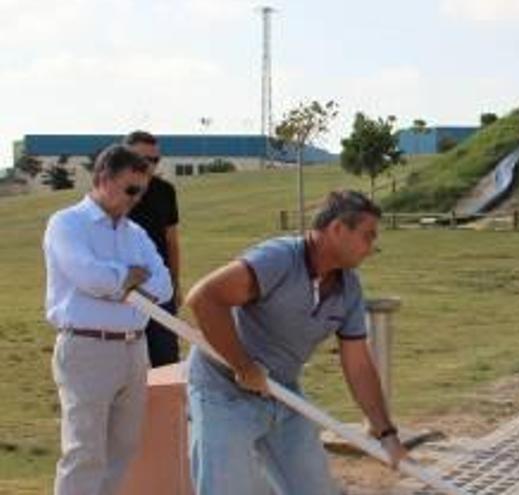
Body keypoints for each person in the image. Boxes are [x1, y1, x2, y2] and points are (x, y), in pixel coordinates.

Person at [185, 189, 406, 494]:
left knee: (314, 488)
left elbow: (358, 364)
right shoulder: (278, 258)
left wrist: (386, 432)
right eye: (368, 236)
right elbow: (204, 298)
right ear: (338, 229)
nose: (371, 247)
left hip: (282, 392)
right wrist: (243, 365)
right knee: (226, 487)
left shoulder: (349, 289)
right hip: (223, 390)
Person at [43, 144, 173, 494]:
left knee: (123, 449)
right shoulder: (67, 224)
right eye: (131, 189)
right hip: (86, 348)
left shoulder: (136, 234)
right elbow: (88, 276)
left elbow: (164, 286)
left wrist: (120, 280)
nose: (136, 199)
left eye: (141, 192)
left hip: (133, 350)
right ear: (102, 179)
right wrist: (127, 277)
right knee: (84, 452)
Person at [124, 130, 182, 367]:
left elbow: (172, 241)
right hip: (124, 287)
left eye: (155, 160)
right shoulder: (115, 193)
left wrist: (175, 284)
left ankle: (166, 405)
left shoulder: (165, 191)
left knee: (166, 358)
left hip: (160, 286)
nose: (150, 165)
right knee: (126, 360)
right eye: (143, 158)